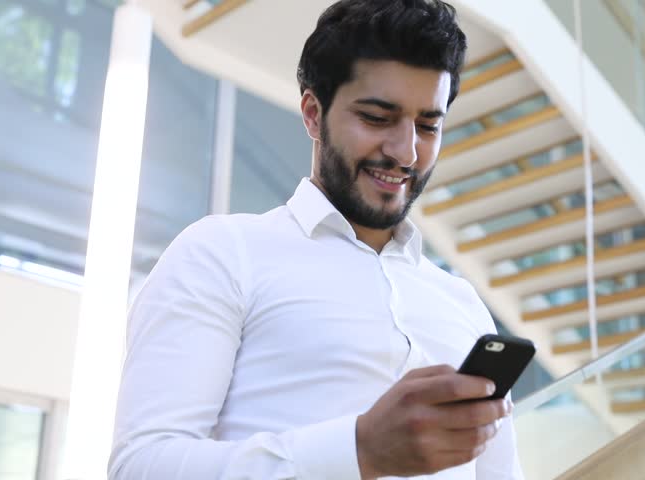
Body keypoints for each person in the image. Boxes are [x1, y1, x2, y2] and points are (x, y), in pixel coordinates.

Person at [109, 0, 524, 478]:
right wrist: (358, 449)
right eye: (376, 117)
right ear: (312, 113)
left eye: (428, 126)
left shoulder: (462, 303)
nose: (406, 151)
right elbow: (142, 467)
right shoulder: (222, 253)